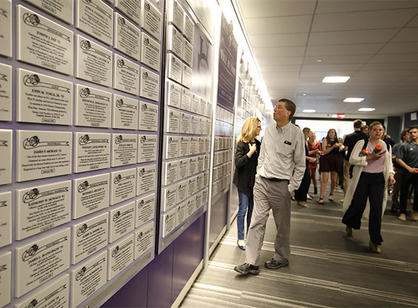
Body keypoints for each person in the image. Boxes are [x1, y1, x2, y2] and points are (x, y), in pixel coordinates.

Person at [234, 98, 305, 275]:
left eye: (279, 108)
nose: (275, 110)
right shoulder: (268, 131)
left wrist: (291, 187)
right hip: (262, 183)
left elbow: (300, 164)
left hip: (282, 185)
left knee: (282, 225)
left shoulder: (296, 133)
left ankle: (281, 257)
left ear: (289, 112)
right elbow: (263, 156)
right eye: (275, 107)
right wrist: (259, 174)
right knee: (256, 222)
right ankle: (251, 262)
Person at [342, 122, 395, 253]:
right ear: (370, 131)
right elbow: (353, 159)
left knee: (376, 209)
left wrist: (390, 174)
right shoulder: (363, 144)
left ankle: (375, 240)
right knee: (358, 204)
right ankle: (350, 222)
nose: (378, 132)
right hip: (363, 178)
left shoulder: (386, 145)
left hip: (378, 180)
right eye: (375, 130)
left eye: (380, 130)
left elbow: (389, 164)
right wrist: (369, 157)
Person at [233, 117, 262, 250]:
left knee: (252, 211)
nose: (260, 129)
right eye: (258, 127)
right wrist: (249, 153)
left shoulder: (258, 143)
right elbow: (238, 163)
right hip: (243, 182)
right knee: (243, 210)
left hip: (254, 182)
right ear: (252, 127)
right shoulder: (242, 144)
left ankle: (249, 236)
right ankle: (240, 238)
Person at [396, 127, 418, 221]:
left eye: (415, 132)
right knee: (404, 193)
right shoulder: (404, 146)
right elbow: (398, 159)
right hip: (407, 172)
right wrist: (408, 168)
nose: (413, 134)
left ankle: (415, 211)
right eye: (411, 132)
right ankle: (402, 212)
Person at [318, 129, 342, 204]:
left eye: (333, 132)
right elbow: (324, 151)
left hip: (335, 160)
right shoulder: (325, 140)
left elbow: (341, 149)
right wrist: (333, 147)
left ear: (335, 134)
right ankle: (321, 197)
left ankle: (331, 194)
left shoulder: (338, 140)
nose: (331, 134)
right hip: (326, 160)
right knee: (324, 179)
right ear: (328, 133)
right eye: (330, 132)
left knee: (334, 180)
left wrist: (342, 147)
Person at [343, 120, 366, 196]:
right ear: (361, 126)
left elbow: (346, 148)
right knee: (359, 177)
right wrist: (361, 156)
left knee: (347, 178)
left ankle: (347, 196)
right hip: (360, 159)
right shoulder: (366, 137)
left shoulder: (349, 136)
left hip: (349, 158)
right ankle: (357, 195)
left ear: (354, 126)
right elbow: (366, 149)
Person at [391, 129, 410, 213]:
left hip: (409, 171)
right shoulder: (397, 146)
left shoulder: (413, 146)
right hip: (399, 169)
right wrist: (399, 157)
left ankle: (403, 206)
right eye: (408, 134)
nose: (410, 136)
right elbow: (392, 157)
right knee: (397, 188)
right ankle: (394, 204)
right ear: (404, 136)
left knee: (406, 190)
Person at [295, 127, 315, 207]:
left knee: (306, 181)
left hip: (305, 163)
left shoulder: (305, 142)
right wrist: (309, 158)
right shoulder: (301, 141)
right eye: (310, 132)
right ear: (307, 133)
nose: (312, 134)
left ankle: (301, 199)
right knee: (304, 182)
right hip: (301, 164)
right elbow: (300, 155)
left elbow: (306, 153)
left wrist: (314, 152)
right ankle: (300, 199)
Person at [308, 131, 321, 195]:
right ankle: (306, 190)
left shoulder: (318, 143)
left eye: (314, 135)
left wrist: (318, 153)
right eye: (312, 135)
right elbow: (306, 152)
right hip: (308, 160)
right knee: (308, 175)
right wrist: (314, 151)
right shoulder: (307, 143)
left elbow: (320, 152)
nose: (313, 136)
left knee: (313, 175)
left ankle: (315, 189)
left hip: (314, 161)